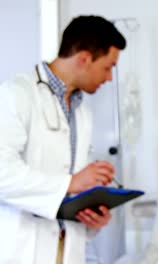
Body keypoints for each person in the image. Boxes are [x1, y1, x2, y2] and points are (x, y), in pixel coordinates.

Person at [0, 16, 126, 263]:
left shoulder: (81, 111)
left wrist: (92, 215)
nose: (110, 78)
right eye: (108, 67)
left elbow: (72, 191)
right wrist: (71, 183)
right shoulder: (16, 94)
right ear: (84, 58)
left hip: (65, 247)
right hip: (22, 248)